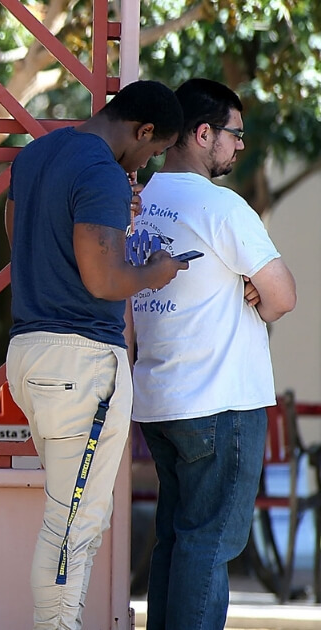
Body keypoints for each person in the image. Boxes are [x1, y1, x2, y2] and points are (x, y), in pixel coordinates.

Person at [4, 80, 187, 629]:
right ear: (144, 130)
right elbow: (105, 279)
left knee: (72, 519)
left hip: (29, 354)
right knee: (72, 528)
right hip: (81, 364)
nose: (145, 165)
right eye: (152, 152)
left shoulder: (38, 154)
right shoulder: (101, 170)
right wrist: (160, 269)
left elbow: (21, 237)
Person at [128, 78, 296, 629]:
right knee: (209, 543)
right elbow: (284, 296)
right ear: (203, 134)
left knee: (175, 538)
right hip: (220, 402)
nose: (240, 145)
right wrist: (255, 295)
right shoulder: (223, 206)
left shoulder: (140, 199)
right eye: (234, 133)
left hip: (157, 400)